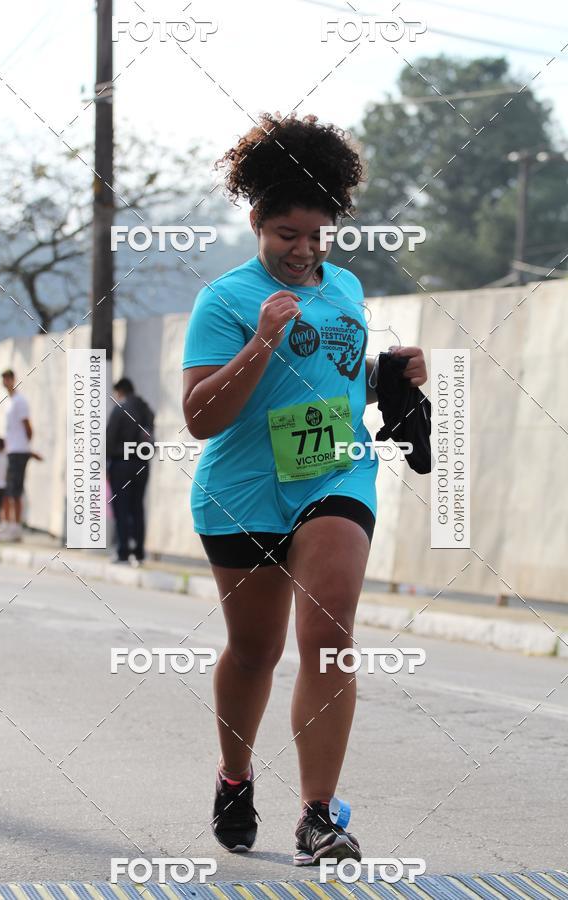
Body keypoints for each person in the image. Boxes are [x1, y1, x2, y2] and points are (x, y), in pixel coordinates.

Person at [181, 113, 427, 866]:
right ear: (257, 221)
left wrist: (396, 374)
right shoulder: (225, 301)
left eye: (317, 236)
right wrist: (260, 341)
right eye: (288, 234)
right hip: (244, 489)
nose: (304, 250)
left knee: (330, 632)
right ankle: (234, 776)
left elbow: (340, 377)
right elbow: (199, 417)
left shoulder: (346, 286)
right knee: (252, 653)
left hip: (336, 477)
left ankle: (319, 816)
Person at [106, 377, 155, 564]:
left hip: (122, 465)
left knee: (122, 508)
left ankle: (123, 552)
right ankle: (139, 552)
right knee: (137, 508)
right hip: (142, 464)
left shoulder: (120, 410)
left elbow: (110, 439)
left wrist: (107, 462)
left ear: (121, 391)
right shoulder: (146, 410)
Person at [0, 369, 33, 541]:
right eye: (3, 379)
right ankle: (8, 524)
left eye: (8, 378)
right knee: (8, 488)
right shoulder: (9, 402)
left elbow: (28, 427)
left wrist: (25, 447)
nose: (6, 382)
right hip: (11, 451)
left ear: (13, 379)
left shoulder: (20, 401)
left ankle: (16, 527)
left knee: (15, 490)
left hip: (19, 451)